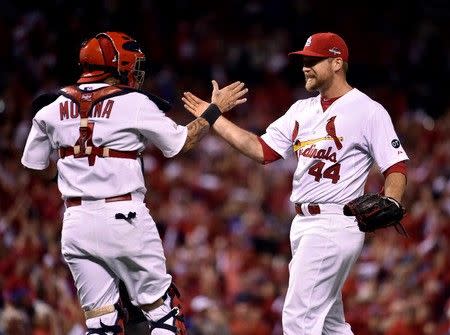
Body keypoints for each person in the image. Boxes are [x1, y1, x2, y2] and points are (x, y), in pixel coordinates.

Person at [21, 31, 247, 335]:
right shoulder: (133, 102)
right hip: (124, 217)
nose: (135, 72)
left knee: (100, 325)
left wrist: (67, 173)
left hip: (75, 222)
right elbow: (183, 142)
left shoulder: (49, 108)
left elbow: (35, 167)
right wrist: (213, 109)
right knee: (163, 315)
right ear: (118, 65)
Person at [182, 32, 409, 335]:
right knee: (330, 325)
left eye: (314, 61)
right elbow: (261, 150)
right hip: (304, 224)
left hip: (334, 222)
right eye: (304, 61)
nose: (305, 66)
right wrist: (212, 116)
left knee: (298, 319)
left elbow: (395, 164)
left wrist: (392, 199)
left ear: (337, 63)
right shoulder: (302, 110)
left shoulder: (368, 110)